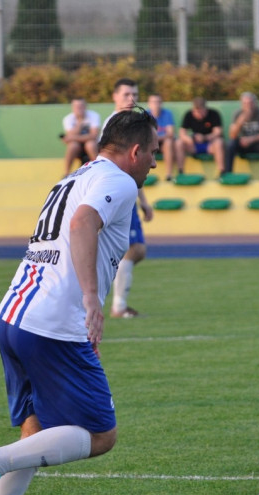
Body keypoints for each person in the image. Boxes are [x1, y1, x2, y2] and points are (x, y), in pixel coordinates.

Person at [0, 109, 158, 495]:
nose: (153, 163)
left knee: (37, 431)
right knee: (101, 435)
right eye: (152, 152)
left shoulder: (74, 176)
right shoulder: (119, 181)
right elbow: (81, 223)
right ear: (133, 151)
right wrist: (92, 300)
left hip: (13, 315)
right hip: (53, 325)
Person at [103, 78, 153, 319]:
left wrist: (142, 200)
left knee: (136, 250)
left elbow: (134, 166)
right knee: (131, 249)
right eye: (125, 94)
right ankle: (119, 307)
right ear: (114, 97)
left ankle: (117, 303)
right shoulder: (114, 127)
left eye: (134, 94)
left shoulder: (131, 126)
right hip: (118, 194)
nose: (130, 99)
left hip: (127, 192)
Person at [175, 96, 225, 177]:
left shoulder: (214, 114)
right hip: (194, 145)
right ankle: (181, 171)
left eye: (201, 112)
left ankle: (222, 172)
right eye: (196, 112)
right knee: (179, 143)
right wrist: (189, 139)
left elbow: (218, 132)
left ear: (205, 109)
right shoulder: (188, 114)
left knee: (219, 142)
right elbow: (182, 133)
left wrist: (204, 137)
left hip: (210, 145)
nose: (199, 115)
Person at [225, 92, 259, 177]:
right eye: (245, 103)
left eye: (250, 103)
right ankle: (227, 174)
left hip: (256, 143)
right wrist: (240, 122)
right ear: (242, 104)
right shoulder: (237, 114)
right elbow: (232, 135)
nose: (248, 106)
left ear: (255, 103)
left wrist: (251, 139)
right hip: (241, 143)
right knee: (230, 144)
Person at [60, 96, 101, 176]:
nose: (79, 109)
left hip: (93, 146)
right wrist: (79, 123)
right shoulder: (68, 119)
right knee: (73, 145)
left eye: (81, 106)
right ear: (72, 107)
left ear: (86, 106)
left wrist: (72, 137)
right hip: (77, 148)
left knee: (90, 144)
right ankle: (66, 173)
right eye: (76, 107)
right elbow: (70, 138)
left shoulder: (94, 116)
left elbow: (94, 136)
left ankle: (99, 169)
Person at [146, 94, 176, 179]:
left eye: (158, 102)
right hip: (150, 143)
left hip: (163, 143)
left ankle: (169, 174)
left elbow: (170, 133)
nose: (156, 104)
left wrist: (156, 137)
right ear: (149, 104)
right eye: (154, 102)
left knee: (169, 142)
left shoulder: (167, 113)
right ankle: (145, 174)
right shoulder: (145, 114)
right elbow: (144, 134)